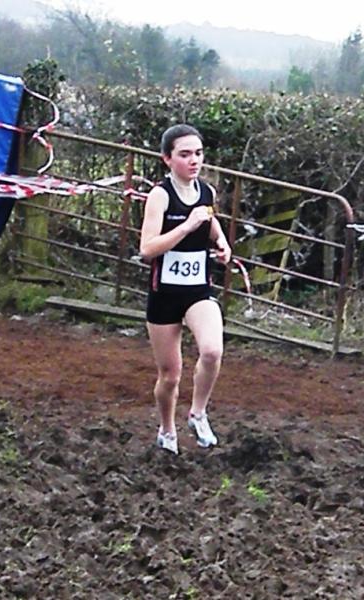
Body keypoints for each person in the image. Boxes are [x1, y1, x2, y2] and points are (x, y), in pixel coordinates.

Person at [140, 124, 232, 454]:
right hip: (164, 295)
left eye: (198, 153)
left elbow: (212, 225)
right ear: (167, 159)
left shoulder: (206, 193)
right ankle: (167, 430)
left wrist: (223, 245)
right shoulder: (160, 195)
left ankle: (198, 413)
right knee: (170, 376)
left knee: (212, 350)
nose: (194, 160)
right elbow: (147, 249)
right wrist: (186, 226)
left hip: (197, 290)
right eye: (185, 154)